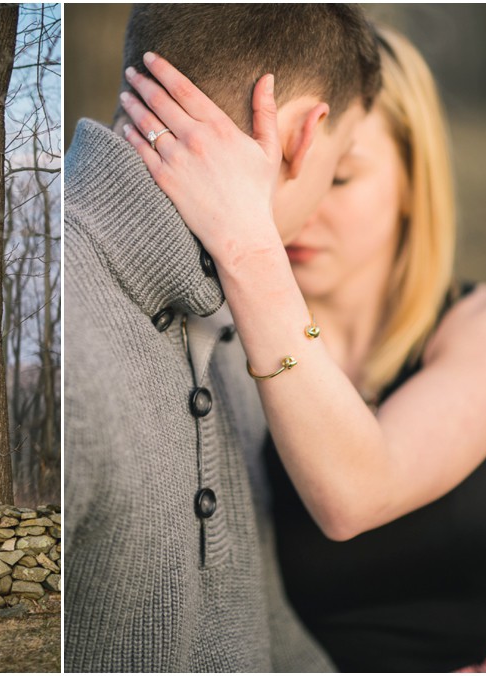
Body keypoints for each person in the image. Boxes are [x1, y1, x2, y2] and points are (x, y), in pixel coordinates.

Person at [124, 23, 486, 674]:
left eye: (340, 177)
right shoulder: (212, 340)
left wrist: (248, 244)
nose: (294, 201)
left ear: (415, 182)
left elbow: (356, 493)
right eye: (268, 173)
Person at [64, 5, 381, 672]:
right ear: (305, 135)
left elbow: (264, 637)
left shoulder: (233, 322)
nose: (321, 205)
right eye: (341, 165)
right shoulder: (74, 340)